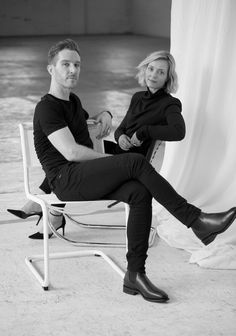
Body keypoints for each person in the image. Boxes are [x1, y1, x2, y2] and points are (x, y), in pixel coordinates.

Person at [10, 39, 236, 303]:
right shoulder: (47, 107)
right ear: (51, 69)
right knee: (133, 161)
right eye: (65, 64)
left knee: (139, 192)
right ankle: (196, 220)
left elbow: (87, 120)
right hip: (64, 179)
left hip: (84, 176)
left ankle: (135, 275)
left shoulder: (72, 102)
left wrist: (105, 113)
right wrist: (109, 159)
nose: (72, 70)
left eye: (77, 65)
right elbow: (71, 152)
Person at [8, 50, 185, 224]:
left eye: (161, 72)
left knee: (78, 151)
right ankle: (51, 211)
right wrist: (113, 124)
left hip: (133, 161)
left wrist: (145, 131)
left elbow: (178, 132)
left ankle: (47, 208)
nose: (153, 75)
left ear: (168, 78)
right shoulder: (138, 98)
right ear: (145, 69)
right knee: (78, 147)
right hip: (117, 153)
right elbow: (119, 129)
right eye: (151, 68)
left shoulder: (169, 104)